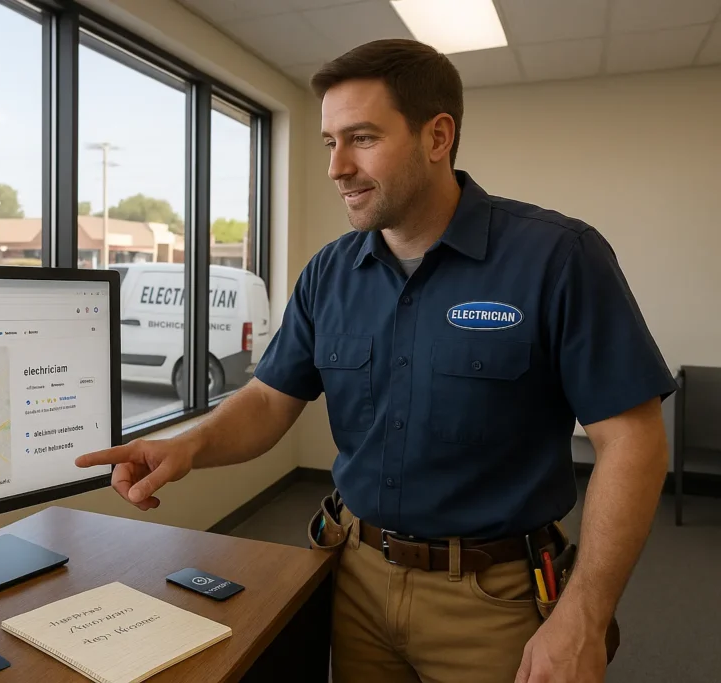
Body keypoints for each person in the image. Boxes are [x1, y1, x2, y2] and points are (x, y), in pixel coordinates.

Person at [76, 38, 675, 683]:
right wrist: (189, 446)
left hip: (493, 600)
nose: (336, 167)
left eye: (361, 138)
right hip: (351, 574)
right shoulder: (330, 273)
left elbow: (633, 444)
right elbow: (270, 400)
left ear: (437, 136)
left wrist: (584, 615)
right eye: (330, 142)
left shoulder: (558, 258)